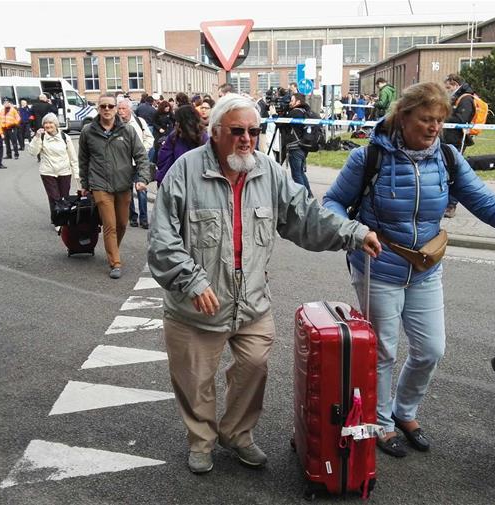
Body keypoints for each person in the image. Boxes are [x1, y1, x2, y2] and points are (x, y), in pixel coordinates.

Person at [323, 82, 495, 458]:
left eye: (439, 120)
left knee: (431, 349)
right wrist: (354, 230)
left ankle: (405, 411)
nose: (434, 127)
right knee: (383, 352)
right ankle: (382, 422)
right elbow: (333, 201)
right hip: (378, 266)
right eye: (425, 119)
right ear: (403, 117)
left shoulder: (448, 158)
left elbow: (486, 204)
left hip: (425, 267)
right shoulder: (368, 158)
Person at [148, 94, 381, 474]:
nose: (246, 140)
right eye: (237, 131)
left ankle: (237, 434)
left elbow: (306, 217)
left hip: (252, 302)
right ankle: (202, 441)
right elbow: (161, 241)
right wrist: (191, 281)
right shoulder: (184, 171)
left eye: (254, 132)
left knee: (254, 366)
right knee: (195, 382)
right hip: (195, 307)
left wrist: (354, 233)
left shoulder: (269, 172)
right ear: (216, 132)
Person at [79, 94, 151, 279]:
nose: (107, 109)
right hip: (100, 184)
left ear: (116, 108)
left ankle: (113, 249)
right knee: (109, 225)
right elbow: (84, 160)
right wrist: (85, 184)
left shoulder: (127, 131)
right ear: (98, 108)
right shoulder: (88, 131)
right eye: (103, 106)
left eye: (111, 106)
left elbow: (141, 156)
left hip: (123, 184)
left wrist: (142, 178)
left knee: (121, 223)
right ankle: (115, 262)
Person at [26, 112, 79, 229]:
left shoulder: (65, 137)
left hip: (64, 171)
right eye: (45, 123)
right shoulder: (42, 137)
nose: (48, 125)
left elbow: (73, 157)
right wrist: (37, 138)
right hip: (48, 172)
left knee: (64, 197)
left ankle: (64, 218)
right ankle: (58, 221)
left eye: (50, 123)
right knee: (55, 197)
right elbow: (33, 152)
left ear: (56, 124)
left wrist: (77, 175)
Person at [442, 74, 477, 218]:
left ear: (455, 84)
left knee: (453, 173)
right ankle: (446, 203)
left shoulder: (466, 99)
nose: (447, 90)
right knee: (446, 171)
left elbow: (461, 119)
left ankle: (451, 205)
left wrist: (443, 115)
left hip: (456, 140)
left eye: (448, 87)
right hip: (449, 138)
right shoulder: (457, 98)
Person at [117, 98, 154, 229]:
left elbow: (150, 138)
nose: (121, 112)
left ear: (130, 109)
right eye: (119, 109)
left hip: (138, 162)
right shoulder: (116, 124)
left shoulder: (139, 122)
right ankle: (132, 216)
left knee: (141, 191)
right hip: (124, 163)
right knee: (128, 192)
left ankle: (144, 218)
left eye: (123, 109)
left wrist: (142, 150)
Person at [154, 104, 208, 184]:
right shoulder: (204, 138)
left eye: (177, 121)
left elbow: (163, 159)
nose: (176, 124)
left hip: (183, 184)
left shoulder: (175, 137)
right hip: (185, 183)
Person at [280, 92, 313, 195]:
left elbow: (281, 124)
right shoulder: (304, 111)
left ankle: (303, 197)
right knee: (300, 173)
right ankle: (308, 195)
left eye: (292, 100)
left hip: (295, 147)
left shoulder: (295, 113)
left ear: (298, 101)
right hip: (302, 146)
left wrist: (274, 114)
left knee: (296, 175)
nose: (290, 102)